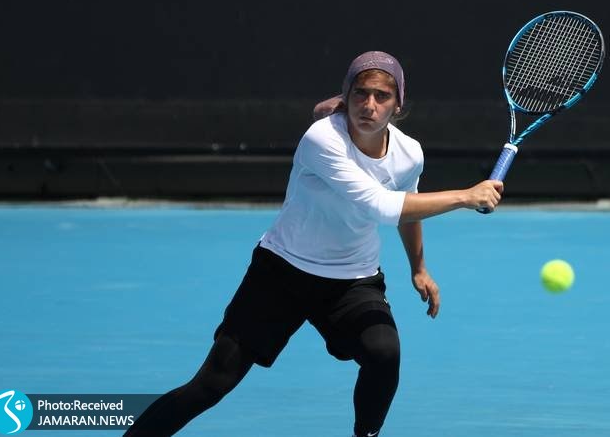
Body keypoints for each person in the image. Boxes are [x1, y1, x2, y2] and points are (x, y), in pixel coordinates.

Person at [123, 51, 503, 437]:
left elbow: (408, 206)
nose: (369, 105)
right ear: (347, 96)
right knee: (211, 384)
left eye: (382, 96)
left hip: (352, 280)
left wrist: (418, 268)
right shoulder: (322, 138)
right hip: (281, 273)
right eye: (360, 93)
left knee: (384, 353)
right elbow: (382, 205)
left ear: (398, 105)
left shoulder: (409, 154)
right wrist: (466, 196)